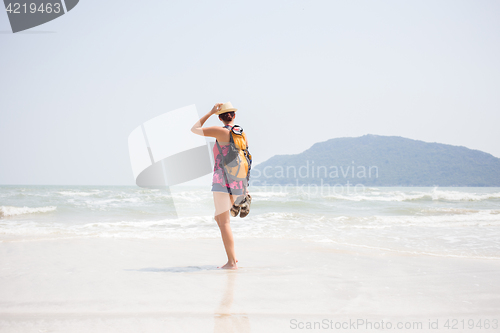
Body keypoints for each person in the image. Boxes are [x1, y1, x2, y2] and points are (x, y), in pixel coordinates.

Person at [191, 102, 249, 269]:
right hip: (239, 181)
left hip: (222, 181)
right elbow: (246, 158)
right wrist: (245, 186)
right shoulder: (241, 133)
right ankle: (232, 257)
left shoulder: (220, 131)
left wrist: (209, 112)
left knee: (224, 222)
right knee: (219, 218)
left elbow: (194, 129)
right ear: (234, 116)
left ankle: (231, 262)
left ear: (220, 117)